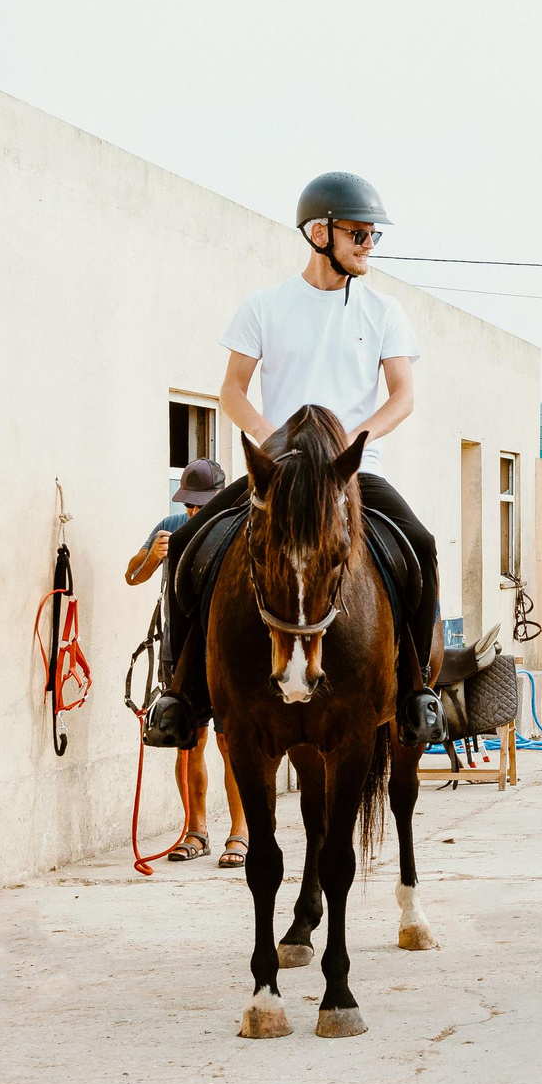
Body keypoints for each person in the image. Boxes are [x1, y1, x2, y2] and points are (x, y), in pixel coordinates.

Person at [139, 172, 450, 752]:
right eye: (357, 233)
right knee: (185, 546)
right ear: (318, 232)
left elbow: (403, 396)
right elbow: (232, 391)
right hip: (278, 475)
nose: (368, 244)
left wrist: (350, 443)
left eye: (372, 235)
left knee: (423, 545)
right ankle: (179, 694)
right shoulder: (265, 306)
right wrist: (272, 444)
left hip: (353, 474)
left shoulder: (386, 312)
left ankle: (416, 691)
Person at [127, 459, 245, 863]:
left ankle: (240, 833)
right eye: (190, 506)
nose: (194, 513)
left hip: (228, 650)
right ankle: (195, 831)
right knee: (188, 743)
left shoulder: (238, 524)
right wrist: (153, 557)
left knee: (233, 744)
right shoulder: (171, 525)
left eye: (201, 505)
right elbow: (132, 576)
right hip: (181, 652)